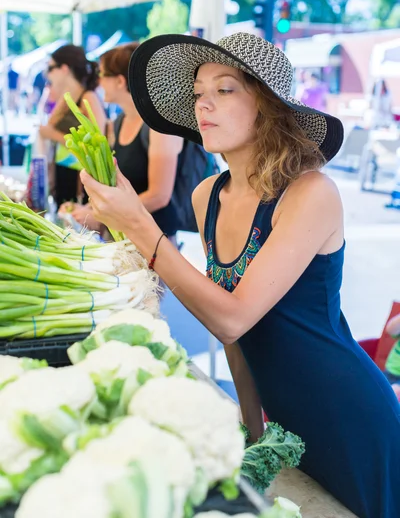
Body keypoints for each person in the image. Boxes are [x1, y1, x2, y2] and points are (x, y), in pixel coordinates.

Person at [81, 33, 400, 518]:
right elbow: (230, 333)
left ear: (267, 108)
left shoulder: (310, 193)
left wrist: (138, 227)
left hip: (351, 415)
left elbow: (234, 317)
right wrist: (250, 433)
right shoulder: (207, 195)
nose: (203, 102)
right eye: (197, 92)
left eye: (225, 89)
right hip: (283, 422)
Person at [64, 42, 183, 243]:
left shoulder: (159, 126)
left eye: (102, 74)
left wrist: (104, 215)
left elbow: (158, 195)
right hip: (122, 237)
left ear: (120, 81)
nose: (99, 82)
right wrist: (87, 210)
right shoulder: (119, 122)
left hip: (155, 241)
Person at [39, 44, 106, 208]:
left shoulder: (88, 98)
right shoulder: (66, 98)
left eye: (50, 68)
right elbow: (49, 126)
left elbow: (98, 144)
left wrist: (51, 134)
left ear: (64, 69)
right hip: (63, 173)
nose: (48, 74)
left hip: (80, 180)